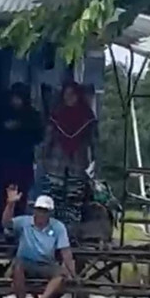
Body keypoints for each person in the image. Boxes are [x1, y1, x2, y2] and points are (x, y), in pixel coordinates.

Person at [2, 186, 75, 298]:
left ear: (50, 213)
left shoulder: (58, 227)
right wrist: (10, 204)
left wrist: (72, 273)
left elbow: (66, 252)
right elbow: (6, 223)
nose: (41, 213)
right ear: (34, 210)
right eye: (39, 210)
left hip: (46, 264)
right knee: (17, 266)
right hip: (26, 263)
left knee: (61, 274)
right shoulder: (24, 222)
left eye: (45, 211)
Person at [42, 81, 97, 226]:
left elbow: (94, 141)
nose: (69, 98)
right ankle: (52, 230)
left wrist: (95, 161)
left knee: (74, 198)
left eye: (72, 95)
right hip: (56, 162)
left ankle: (71, 233)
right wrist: (43, 156)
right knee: (54, 197)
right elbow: (48, 138)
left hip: (78, 162)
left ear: (78, 96)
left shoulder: (87, 116)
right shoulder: (57, 114)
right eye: (66, 95)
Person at [0, 83, 43, 224]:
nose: (15, 101)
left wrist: (21, 126)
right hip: (5, 161)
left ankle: (17, 227)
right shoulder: (3, 113)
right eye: (13, 97)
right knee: (3, 196)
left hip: (23, 162)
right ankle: (1, 226)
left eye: (18, 97)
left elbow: (39, 136)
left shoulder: (32, 116)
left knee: (21, 196)